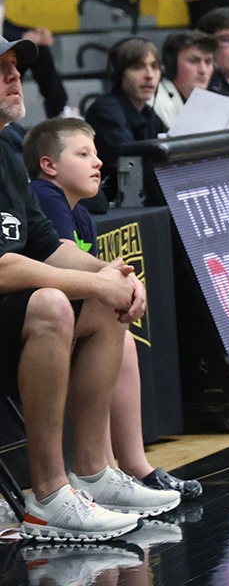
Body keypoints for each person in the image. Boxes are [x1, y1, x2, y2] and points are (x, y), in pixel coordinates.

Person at [0, 34, 175, 541]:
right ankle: (48, 495)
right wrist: (90, 283)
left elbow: (46, 245)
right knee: (54, 304)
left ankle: (95, 474)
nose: (15, 76)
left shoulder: (7, 151)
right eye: (1, 69)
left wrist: (109, 275)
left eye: (16, 67)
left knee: (102, 305)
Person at [25, 118, 200, 504]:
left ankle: (120, 467)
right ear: (48, 165)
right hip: (35, 321)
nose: (98, 162)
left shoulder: (81, 214)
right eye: (83, 154)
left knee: (120, 333)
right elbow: (58, 260)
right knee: (110, 318)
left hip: (58, 317)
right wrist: (113, 281)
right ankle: (111, 468)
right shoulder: (44, 194)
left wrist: (118, 281)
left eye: (97, 153)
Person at [81, 38, 164, 207]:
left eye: (154, 67)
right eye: (138, 67)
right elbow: (132, 161)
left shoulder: (148, 113)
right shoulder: (105, 110)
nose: (149, 75)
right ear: (118, 74)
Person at [153, 30, 214, 128]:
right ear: (172, 65)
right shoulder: (161, 105)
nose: (203, 70)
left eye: (208, 62)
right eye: (194, 61)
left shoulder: (208, 101)